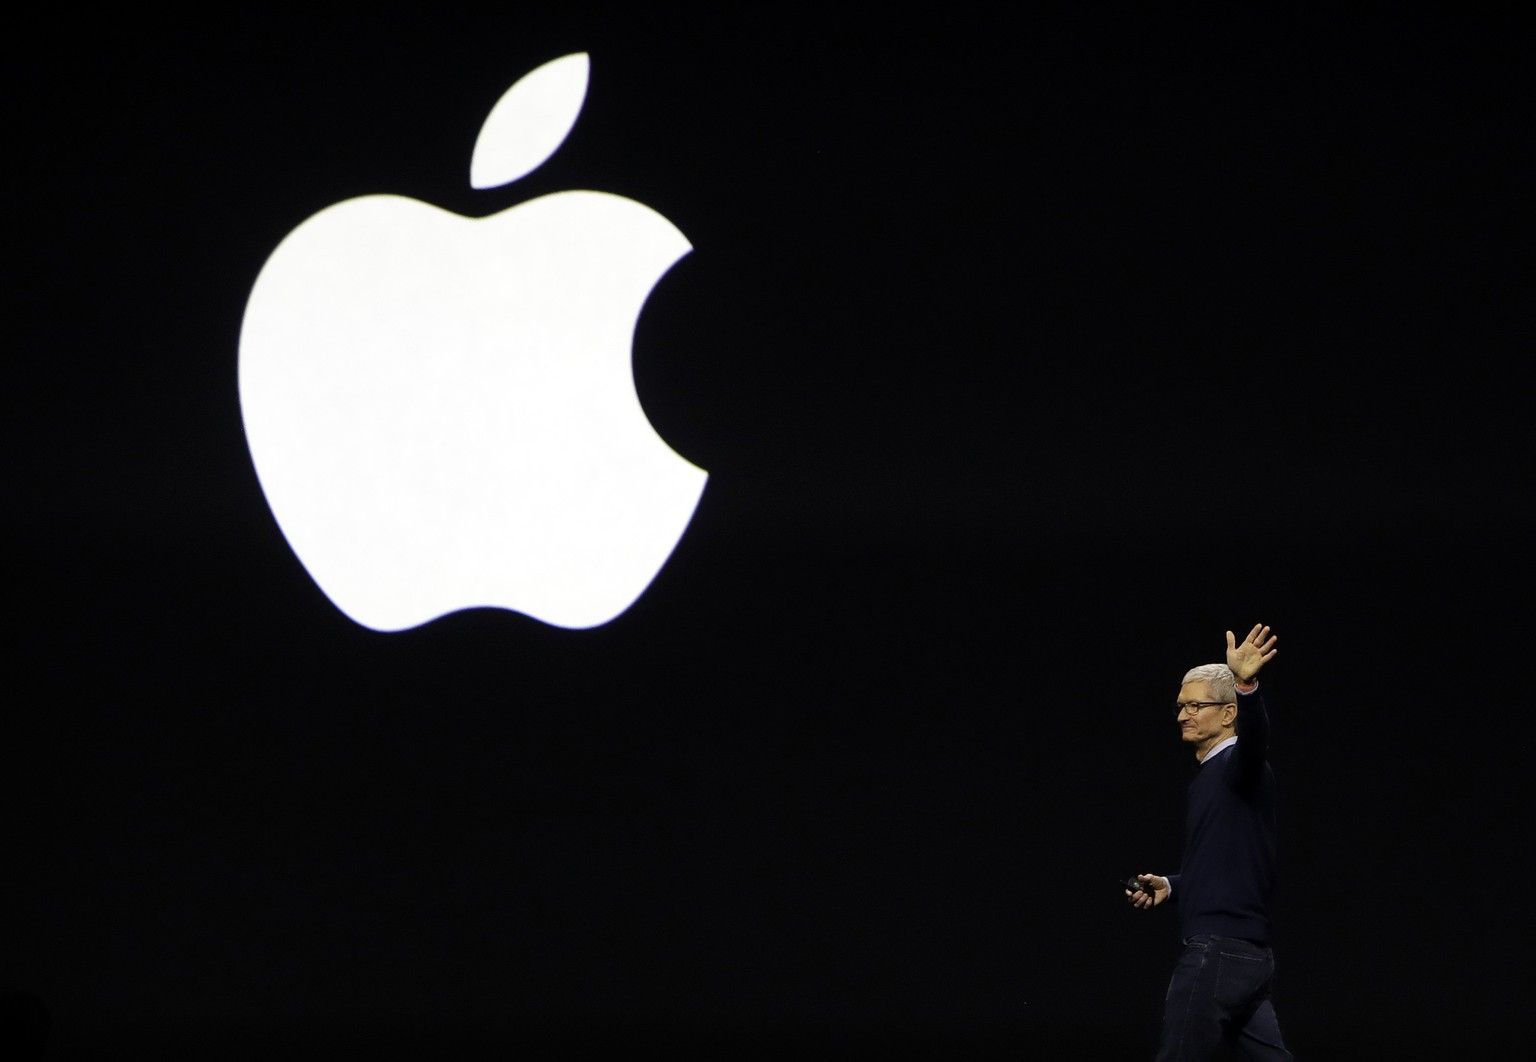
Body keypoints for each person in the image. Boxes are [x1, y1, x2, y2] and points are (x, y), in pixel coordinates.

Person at [1126, 623, 1294, 1061]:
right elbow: (1224, 862)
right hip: (1247, 956)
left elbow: (1256, 742)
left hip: (1218, 950)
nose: (1183, 715)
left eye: (1196, 705)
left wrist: (1247, 685)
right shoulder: (1210, 779)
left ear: (1227, 713)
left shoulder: (1240, 766)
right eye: (1181, 706)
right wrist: (1173, 885)